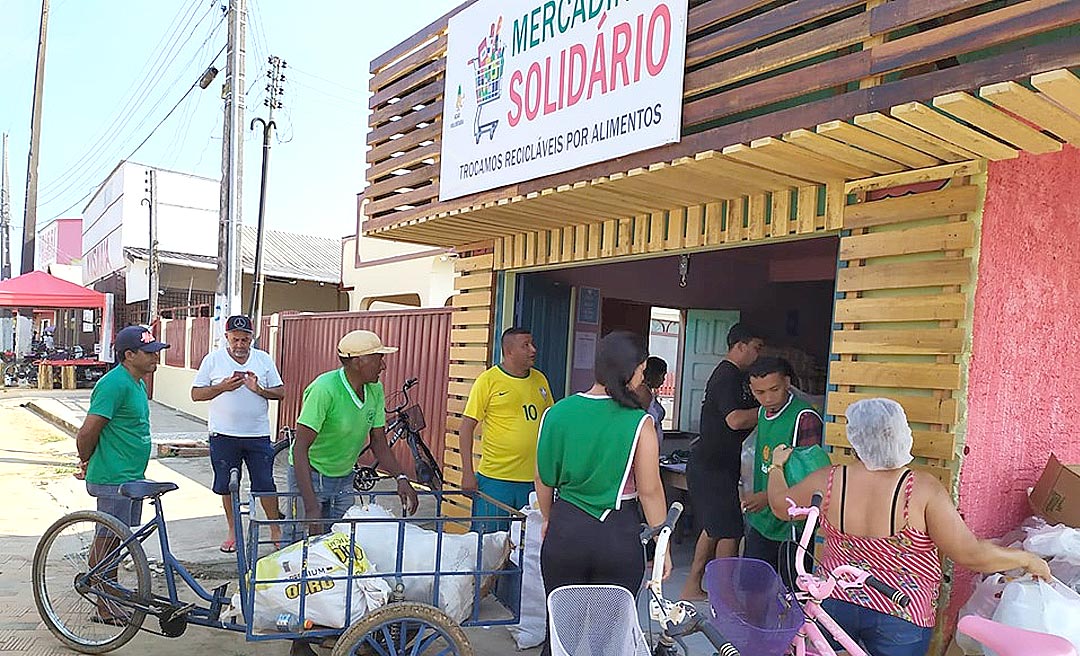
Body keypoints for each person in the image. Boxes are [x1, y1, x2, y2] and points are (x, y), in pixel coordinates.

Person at [767, 398, 1051, 656]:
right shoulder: (922, 489)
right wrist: (1026, 559)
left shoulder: (828, 480)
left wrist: (776, 467)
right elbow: (970, 554)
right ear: (900, 435)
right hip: (901, 612)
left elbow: (781, 506)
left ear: (855, 438)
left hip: (835, 601)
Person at [285, 330, 420, 656]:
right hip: (311, 475)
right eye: (378, 358)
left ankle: (339, 627)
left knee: (342, 551)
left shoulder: (374, 390)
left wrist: (402, 477)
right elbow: (300, 449)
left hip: (343, 476)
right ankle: (299, 639)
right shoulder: (325, 389)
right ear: (358, 361)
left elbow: (378, 442)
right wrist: (311, 507)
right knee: (305, 555)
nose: (384, 365)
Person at [535, 331, 670, 656]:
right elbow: (650, 491)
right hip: (618, 536)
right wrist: (662, 545)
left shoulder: (557, 413)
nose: (642, 378)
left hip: (566, 531)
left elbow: (543, 479)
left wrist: (549, 519)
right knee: (609, 642)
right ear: (630, 370)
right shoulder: (640, 423)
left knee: (560, 638)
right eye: (642, 371)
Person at [75, 325, 169, 625]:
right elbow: (87, 432)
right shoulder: (114, 384)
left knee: (118, 540)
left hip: (131, 477)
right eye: (149, 353)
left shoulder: (137, 383)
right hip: (113, 478)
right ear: (129, 355)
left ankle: (109, 594)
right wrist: (86, 459)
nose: (155, 358)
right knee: (108, 541)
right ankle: (104, 604)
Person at [680, 323, 765, 601]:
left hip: (719, 465)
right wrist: (770, 408)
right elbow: (735, 419)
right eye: (756, 348)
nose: (759, 354)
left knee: (714, 527)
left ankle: (694, 586)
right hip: (711, 466)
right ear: (740, 346)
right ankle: (724, 594)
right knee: (730, 530)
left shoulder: (737, 376)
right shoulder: (726, 376)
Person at [191, 315, 285, 552]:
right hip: (223, 435)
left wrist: (259, 389)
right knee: (227, 485)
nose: (240, 345)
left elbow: (280, 392)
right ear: (227, 338)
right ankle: (233, 531)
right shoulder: (213, 359)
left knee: (265, 484)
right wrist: (222, 387)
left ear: (252, 338)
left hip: (257, 435)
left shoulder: (263, 359)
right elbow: (196, 394)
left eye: (245, 339)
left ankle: (275, 529)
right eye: (235, 339)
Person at [459, 327, 553, 530]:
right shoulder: (488, 380)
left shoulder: (540, 380)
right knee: (488, 541)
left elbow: (550, 423)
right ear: (509, 351)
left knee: (526, 541)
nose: (533, 350)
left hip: (533, 480)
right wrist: (467, 471)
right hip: (496, 480)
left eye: (532, 344)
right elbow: (466, 428)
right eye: (525, 345)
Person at [742, 356, 824, 580]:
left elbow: (811, 478)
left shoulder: (804, 418)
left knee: (792, 590)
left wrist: (768, 497)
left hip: (791, 525)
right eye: (759, 392)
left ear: (787, 383)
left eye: (774, 389)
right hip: (762, 518)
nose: (767, 398)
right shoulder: (762, 412)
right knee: (753, 586)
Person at [636, 356, 668, 448]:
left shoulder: (649, 392)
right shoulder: (643, 393)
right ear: (655, 374)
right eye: (662, 375)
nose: (664, 379)